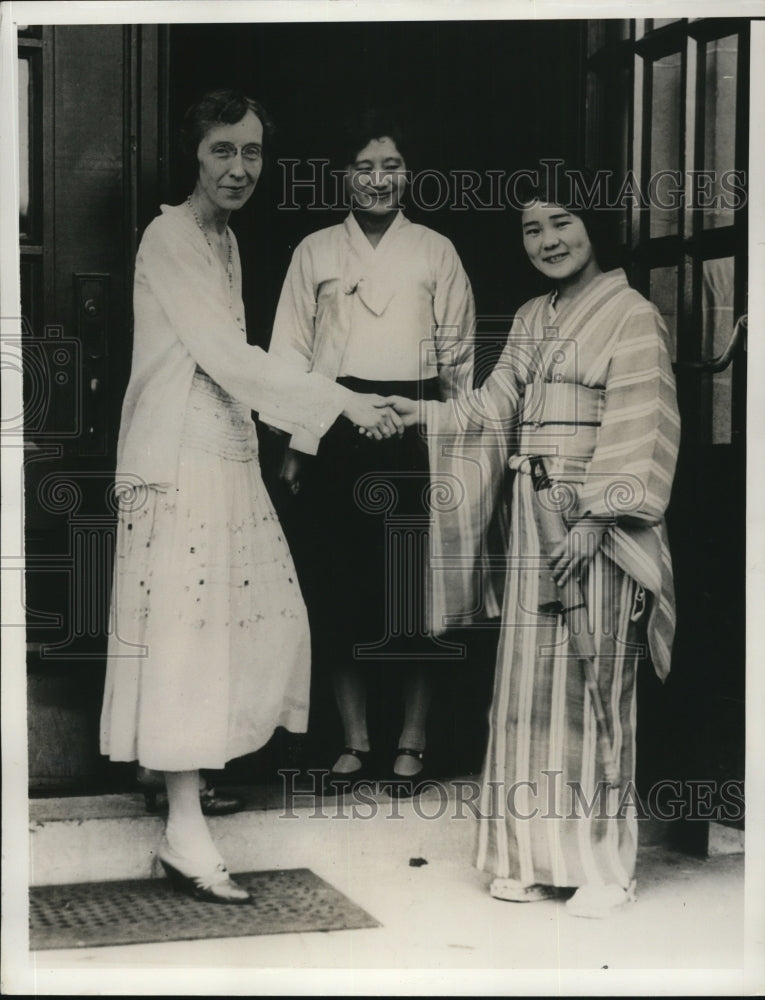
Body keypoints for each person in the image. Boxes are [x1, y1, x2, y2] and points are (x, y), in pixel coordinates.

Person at [99, 90, 400, 904]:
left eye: (252, 153)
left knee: (252, 623)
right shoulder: (169, 236)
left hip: (224, 453)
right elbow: (230, 359)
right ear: (194, 156)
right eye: (222, 151)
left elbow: (241, 366)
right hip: (176, 460)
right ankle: (184, 826)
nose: (239, 168)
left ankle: (184, 783)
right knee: (185, 637)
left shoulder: (224, 241)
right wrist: (338, 400)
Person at [387, 164, 681, 916]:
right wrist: (411, 412)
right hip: (529, 512)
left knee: (592, 683)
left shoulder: (632, 316)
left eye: (561, 222)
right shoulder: (529, 318)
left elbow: (639, 424)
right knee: (522, 687)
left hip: (597, 524)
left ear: (593, 225)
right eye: (531, 228)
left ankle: (602, 868)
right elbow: (487, 411)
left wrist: (594, 520)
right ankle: (520, 856)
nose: (547, 240)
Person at [262, 110, 475, 792]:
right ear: (342, 176)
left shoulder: (436, 250)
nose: (378, 181)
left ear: (409, 173)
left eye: (390, 167)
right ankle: (352, 739)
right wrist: (299, 445)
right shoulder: (314, 251)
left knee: (412, 594)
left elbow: (458, 362)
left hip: (413, 429)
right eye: (363, 168)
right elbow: (289, 355)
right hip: (332, 431)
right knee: (338, 587)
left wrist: (440, 433)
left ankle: (412, 740)